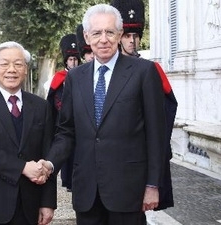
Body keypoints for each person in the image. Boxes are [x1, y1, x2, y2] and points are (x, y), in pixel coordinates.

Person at [41, 4, 167, 225]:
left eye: (110, 32)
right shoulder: (74, 78)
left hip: (129, 191)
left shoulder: (144, 72)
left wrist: (153, 185)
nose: (103, 39)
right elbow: (66, 131)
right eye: (97, 33)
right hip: (87, 192)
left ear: (119, 34)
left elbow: (157, 134)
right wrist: (50, 164)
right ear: (87, 37)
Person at [0, 41, 56, 225]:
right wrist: (22, 167)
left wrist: (47, 202)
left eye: (18, 64)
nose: (11, 69)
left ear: (26, 69)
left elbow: (48, 155)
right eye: (4, 64)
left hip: (29, 205)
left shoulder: (41, 107)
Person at [110, 0, 178, 219]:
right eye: (127, 36)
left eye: (136, 36)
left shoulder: (151, 70)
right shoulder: (102, 72)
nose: (132, 41)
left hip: (140, 156)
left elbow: (166, 111)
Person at [47, 33, 81, 192]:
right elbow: (55, 100)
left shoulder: (84, 75)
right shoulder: (59, 78)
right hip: (64, 121)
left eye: (75, 59)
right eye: (71, 59)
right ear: (66, 61)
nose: (73, 62)